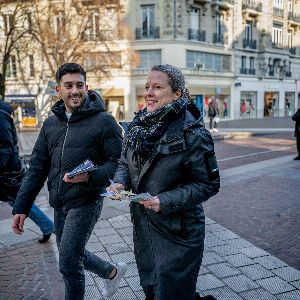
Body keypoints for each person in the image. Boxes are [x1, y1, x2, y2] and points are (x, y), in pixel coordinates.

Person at [11, 63, 127, 299]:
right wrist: (21, 207)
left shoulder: (104, 121)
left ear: (87, 87)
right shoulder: (51, 123)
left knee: (68, 262)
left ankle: (110, 274)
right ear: (58, 90)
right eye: (69, 86)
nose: (75, 91)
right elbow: (37, 168)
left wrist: (91, 176)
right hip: (59, 202)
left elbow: (118, 163)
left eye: (79, 85)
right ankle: (112, 272)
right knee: (71, 254)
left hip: (87, 200)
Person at [108, 64, 220, 300]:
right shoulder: (138, 127)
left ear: (177, 93)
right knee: (152, 290)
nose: (149, 92)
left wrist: (165, 201)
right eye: (147, 87)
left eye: (157, 87)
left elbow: (209, 184)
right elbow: (123, 164)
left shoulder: (194, 133)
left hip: (179, 233)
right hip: (145, 230)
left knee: (171, 293)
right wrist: (119, 182)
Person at [0, 100, 54, 243]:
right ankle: (47, 225)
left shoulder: (0, 116)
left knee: (19, 202)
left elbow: (4, 148)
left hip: (8, 173)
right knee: (18, 202)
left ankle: (48, 225)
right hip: (8, 172)